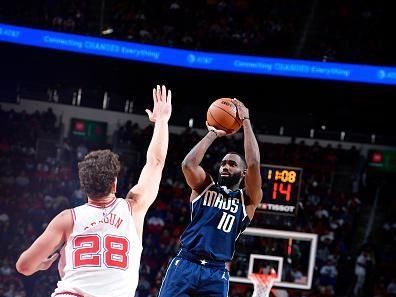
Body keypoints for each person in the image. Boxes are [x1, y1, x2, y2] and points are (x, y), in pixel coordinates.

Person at [16, 85, 172, 297]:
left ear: (83, 186)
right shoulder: (133, 208)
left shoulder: (66, 219)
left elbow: (24, 266)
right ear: (115, 184)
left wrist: (40, 265)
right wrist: (161, 121)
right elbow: (155, 162)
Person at [158, 98, 262, 297]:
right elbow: (188, 165)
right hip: (186, 263)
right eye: (223, 163)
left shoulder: (247, 200)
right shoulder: (205, 186)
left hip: (216, 272)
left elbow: (255, 163)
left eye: (232, 164)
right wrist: (212, 134)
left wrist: (246, 121)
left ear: (243, 173)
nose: (225, 166)